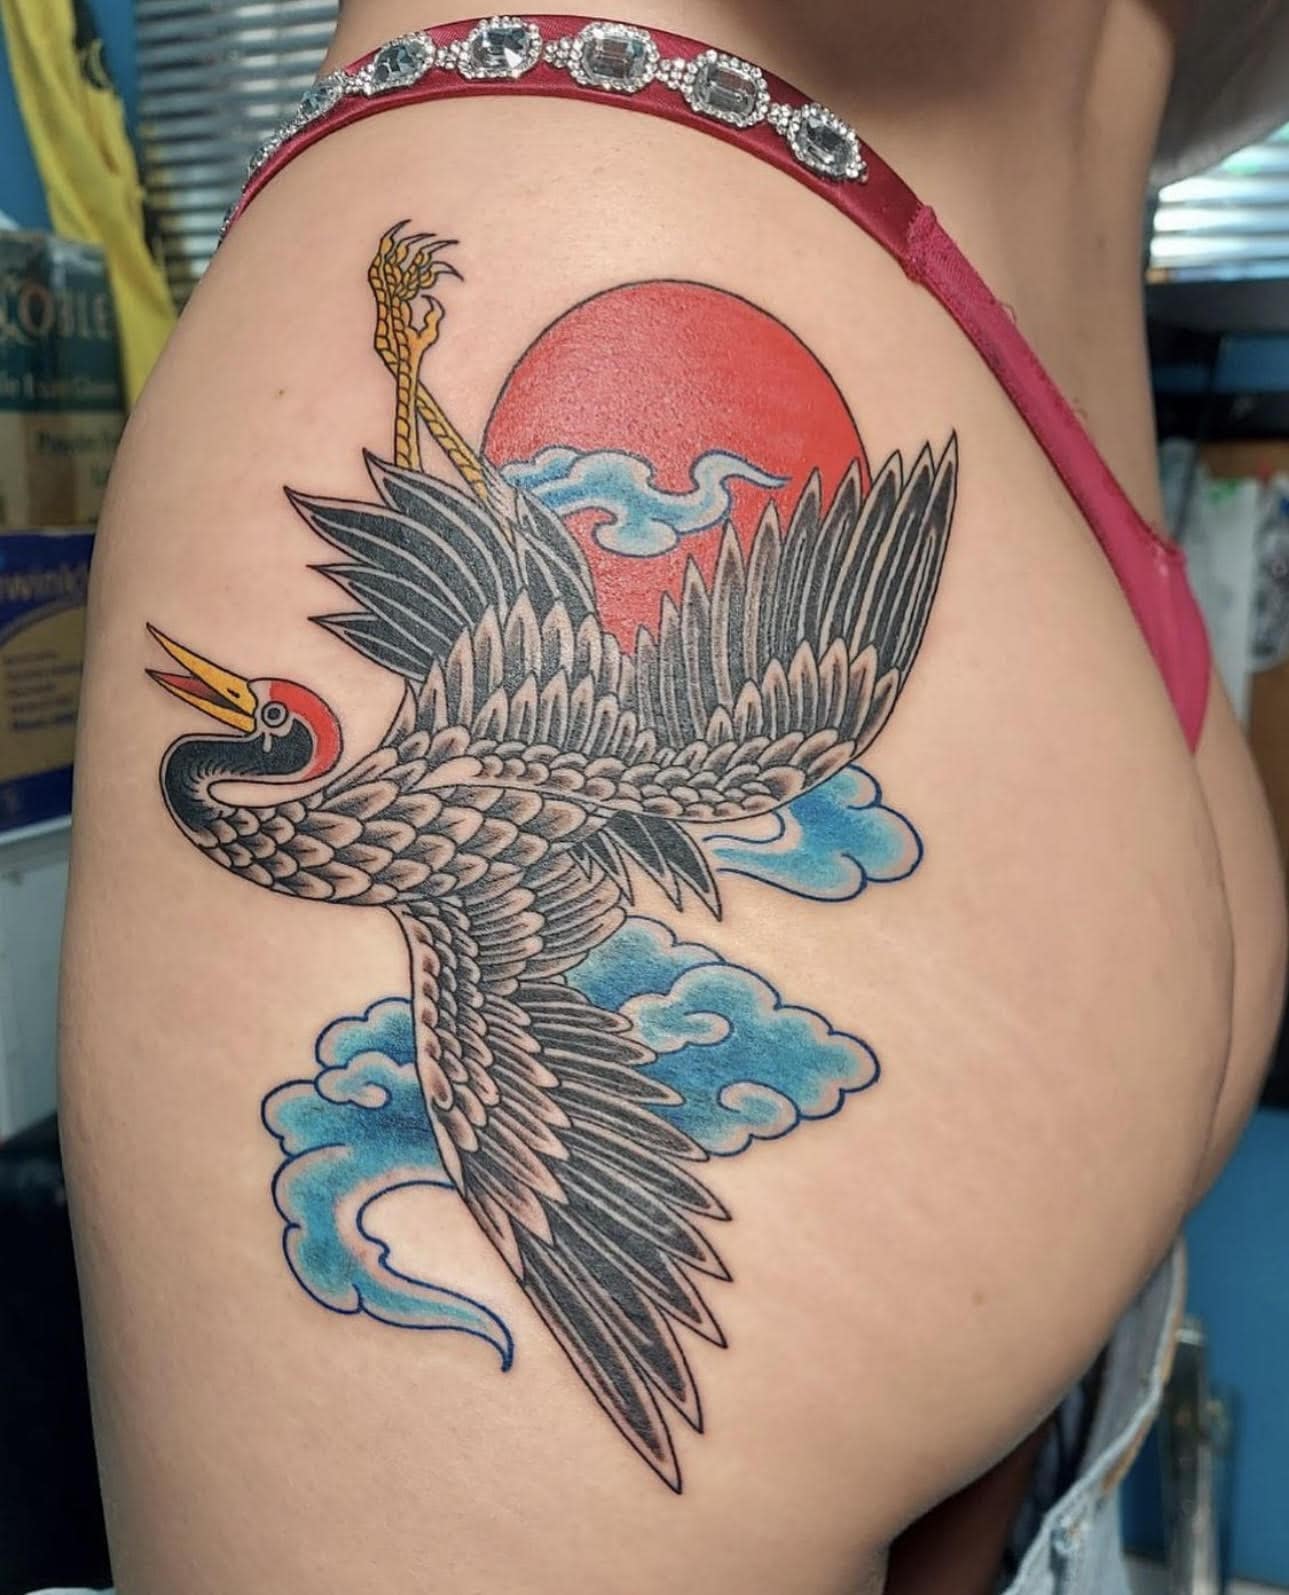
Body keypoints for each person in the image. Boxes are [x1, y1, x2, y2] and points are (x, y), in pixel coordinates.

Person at [60, 3, 1287, 1591]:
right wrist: (406, 358)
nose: (235, 706)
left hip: (1041, 377)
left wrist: (408, 360)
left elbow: (463, 525)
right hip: (619, 161)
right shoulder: (448, 880)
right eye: (252, 713)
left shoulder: (456, 739)